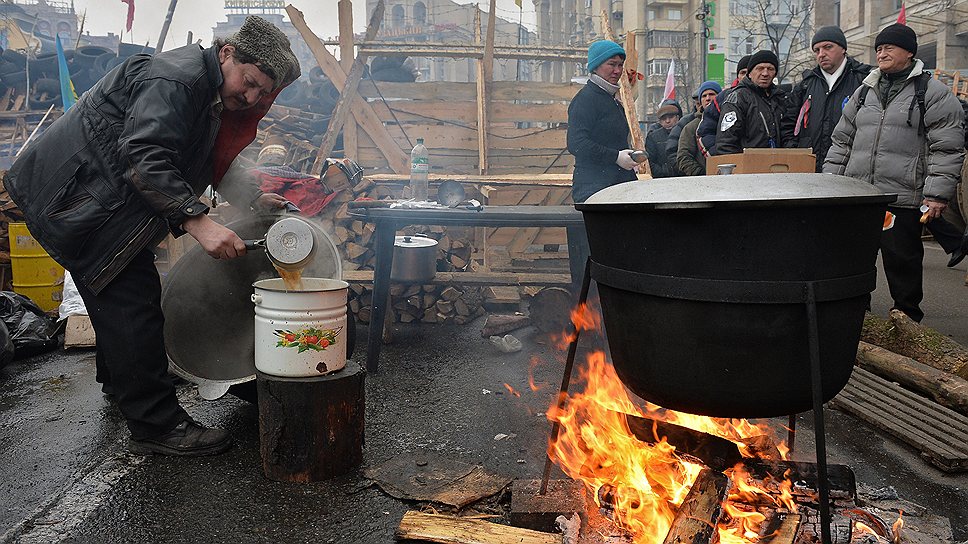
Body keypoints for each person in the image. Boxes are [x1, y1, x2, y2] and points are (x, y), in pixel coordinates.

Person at [3, 16, 300, 455]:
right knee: (135, 307)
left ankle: (121, 384)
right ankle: (156, 425)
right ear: (227, 53)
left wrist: (254, 199)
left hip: (98, 201)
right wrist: (198, 221)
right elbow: (146, 156)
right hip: (77, 202)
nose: (252, 96)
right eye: (250, 81)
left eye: (263, 92)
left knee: (119, 301)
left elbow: (209, 156)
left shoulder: (207, 90)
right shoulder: (177, 80)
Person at [823, 23, 965, 322]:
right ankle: (856, 314)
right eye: (879, 48)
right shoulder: (865, 92)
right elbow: (842, 141)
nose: (882, 52)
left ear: (909, 52)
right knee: (855, 258)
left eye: (889, 47)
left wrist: (937, 194)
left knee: (902, 260)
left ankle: (906, 319)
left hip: (902, 195)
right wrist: (831, 184)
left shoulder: (933, 93)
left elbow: (947, 148)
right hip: (860, 195)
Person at [566, 39, 639, 283]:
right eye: (611, 64)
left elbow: (609, 140)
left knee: (617, 258)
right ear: (596, 66)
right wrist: (616, 157)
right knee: (596, 261)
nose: (617, 70)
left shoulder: (610, 99)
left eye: (620, 65)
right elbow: (576, 144)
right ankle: (591, 314)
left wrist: (627, 157)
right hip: (594, 191)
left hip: (615, 189)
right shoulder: (586, 99)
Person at [783, 26, 873, 171]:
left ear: (843, 48)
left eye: (828, 47)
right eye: (817, 50)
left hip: (849, 168)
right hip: (809, 169)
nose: (821, 54)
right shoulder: (805, 85)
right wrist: (795, 153)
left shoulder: (863, 81)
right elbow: (788, 125)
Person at [716, 50, 789, 154]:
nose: (765, 73)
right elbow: (726, 143)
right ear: (749, 74)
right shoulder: (737, 99)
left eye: (770, 69)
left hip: (779, 165)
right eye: (759, 68)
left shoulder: (781, 98)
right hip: (748, 167)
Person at [697, 54, 751, 156]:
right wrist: (719, 157)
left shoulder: (774, 97)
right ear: (737, 76)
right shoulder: (725, 97)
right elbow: (706, 132)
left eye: (748, 72)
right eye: (742, 72)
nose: (745, 76)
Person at [677, 80, 723, 175]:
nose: (708, 98)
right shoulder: (691, 128)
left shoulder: (728, 121)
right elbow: (683, 157)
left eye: (712, 94)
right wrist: (702, 174)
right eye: (704, 96)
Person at [645, 99, 683, 178]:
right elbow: (649, 161)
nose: (667, 121)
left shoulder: (686, 133)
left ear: (677, 117)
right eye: (664, 118)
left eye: (671, 117)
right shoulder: (653, 137)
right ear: (660, 121)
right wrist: (664, 171)